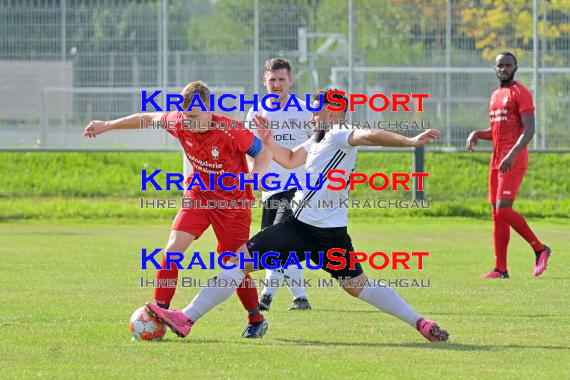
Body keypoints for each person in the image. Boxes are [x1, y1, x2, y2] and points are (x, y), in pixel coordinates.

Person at [144, 89, 449, 343]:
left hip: (315, 232)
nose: (312, 116)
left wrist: (409, 141)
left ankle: (418, 321)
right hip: (312, 227)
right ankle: (420, 322)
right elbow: (289, 160)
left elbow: (369, 135)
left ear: (333, 112)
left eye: (317, 111)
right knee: (245, 263)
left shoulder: (339, 134)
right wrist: (267, 141)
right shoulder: (315, 141)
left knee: (353, 286)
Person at [83, 81, 273, 338]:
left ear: (209, 109)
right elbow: (146, 117)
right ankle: (159, 311)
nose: (188, 123)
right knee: (172, 248)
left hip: (232, 204)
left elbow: (264, 154)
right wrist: (107, 126)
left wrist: (255, 177)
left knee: (234, 264)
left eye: (194, 117)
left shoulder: (230, 129)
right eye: (185, 116)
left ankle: (255, 317)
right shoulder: (179, 121)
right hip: (199, 195)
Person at [467, 52, 551, 279]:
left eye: (508, 65)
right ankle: (500, 269)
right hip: (496, 161)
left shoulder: (520, 93)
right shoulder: (496, 95)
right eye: (500, 65)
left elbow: (529, 129)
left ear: (515, 67)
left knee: (504, 208)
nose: (503, 69)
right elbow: (496, 131)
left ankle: (540, 248)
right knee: (497, 214)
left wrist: (512, 155)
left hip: (512, 160)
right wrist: (477, 134)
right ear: (495, 69)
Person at [246, 58, 313, 311]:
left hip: (298, 188)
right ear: (265, 81)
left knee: (278, 238)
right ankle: (286, 296)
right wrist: (252, 179)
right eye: (272, 80)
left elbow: (316, 147)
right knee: (275, 244)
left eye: (281, 79)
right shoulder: (256, 112)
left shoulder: (306, 111)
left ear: (290, 81)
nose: (276, 84)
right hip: (270, 189)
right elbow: (249, 149)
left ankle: (283, 296)